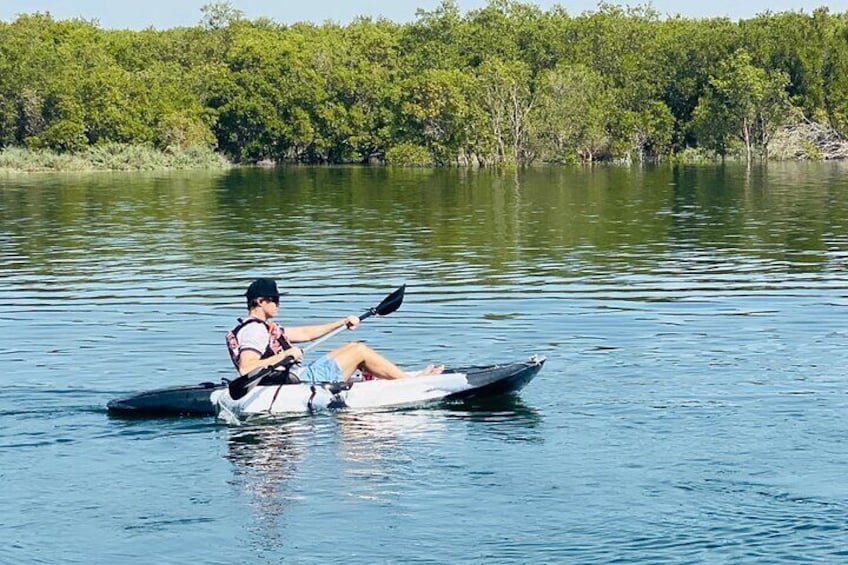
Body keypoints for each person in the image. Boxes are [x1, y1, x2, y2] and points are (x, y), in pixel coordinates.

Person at [226, 278, 443, 383]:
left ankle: (396, 378)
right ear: (260, 301)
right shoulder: (254, 331)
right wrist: (286, 354)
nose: (278, 304)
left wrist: (342, 322)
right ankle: (409, 383)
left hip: (296, 375)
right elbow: (247, 368)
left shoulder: (265, 328)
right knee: (358, 350)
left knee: (351, 346)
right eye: (274, 300)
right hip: (297, 381)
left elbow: (305, 334)